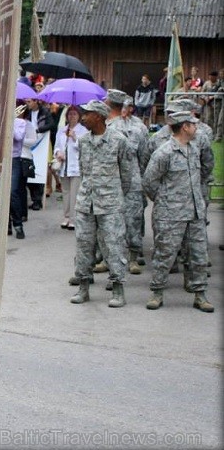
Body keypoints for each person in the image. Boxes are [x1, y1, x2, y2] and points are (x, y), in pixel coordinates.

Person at [142, 111, 213, 313]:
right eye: (193, 124)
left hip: (195, 213)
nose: (196, 127)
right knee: (165, 254)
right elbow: (148, 181)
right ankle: (157, 292)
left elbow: (204, 174)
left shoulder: (194, 149)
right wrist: (165, 201)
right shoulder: (164, 152)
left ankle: (200, 294)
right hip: (170, 214)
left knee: (198, 256)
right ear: (184, 127)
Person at [69, 100, 132, 308]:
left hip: (110, 203)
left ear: (99, 116)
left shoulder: (118, 140)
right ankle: (84, 287)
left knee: (114, 246)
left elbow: (127, 174)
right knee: (84, 245)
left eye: (86, 114)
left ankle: (117, 289)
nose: (83, 117)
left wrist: (114, 194)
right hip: (86, 202)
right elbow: (83, 169)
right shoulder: (84, 141)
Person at [106, 89, 147, 275]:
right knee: (110, 222)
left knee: (133, 220)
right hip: (113, 181)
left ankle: (133, 257)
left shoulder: (139, 128)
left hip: (132, 181)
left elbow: (144, 156)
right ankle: (109, 259)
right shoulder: (105, 126)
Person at [54, 105, 87, 229]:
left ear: (79, 116)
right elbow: (57, 145)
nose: (71, 116)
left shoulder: (83, 131)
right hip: (64, 166)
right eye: (70, 114)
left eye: (74, 114)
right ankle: (66, 216)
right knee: (66, 192)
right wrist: (58, 152)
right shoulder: (62, 130)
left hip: (76, 166)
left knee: (75, 193)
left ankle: (74, 218)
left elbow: (84, 147)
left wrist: (74, 138)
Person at [9, 105, 36, 240]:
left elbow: (19, 138)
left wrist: (9, 122)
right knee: (1, 193)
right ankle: (6, 224)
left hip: (14, 159)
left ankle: (18, 224)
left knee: (13, 191)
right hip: (0, 159)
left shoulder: (20, 122)